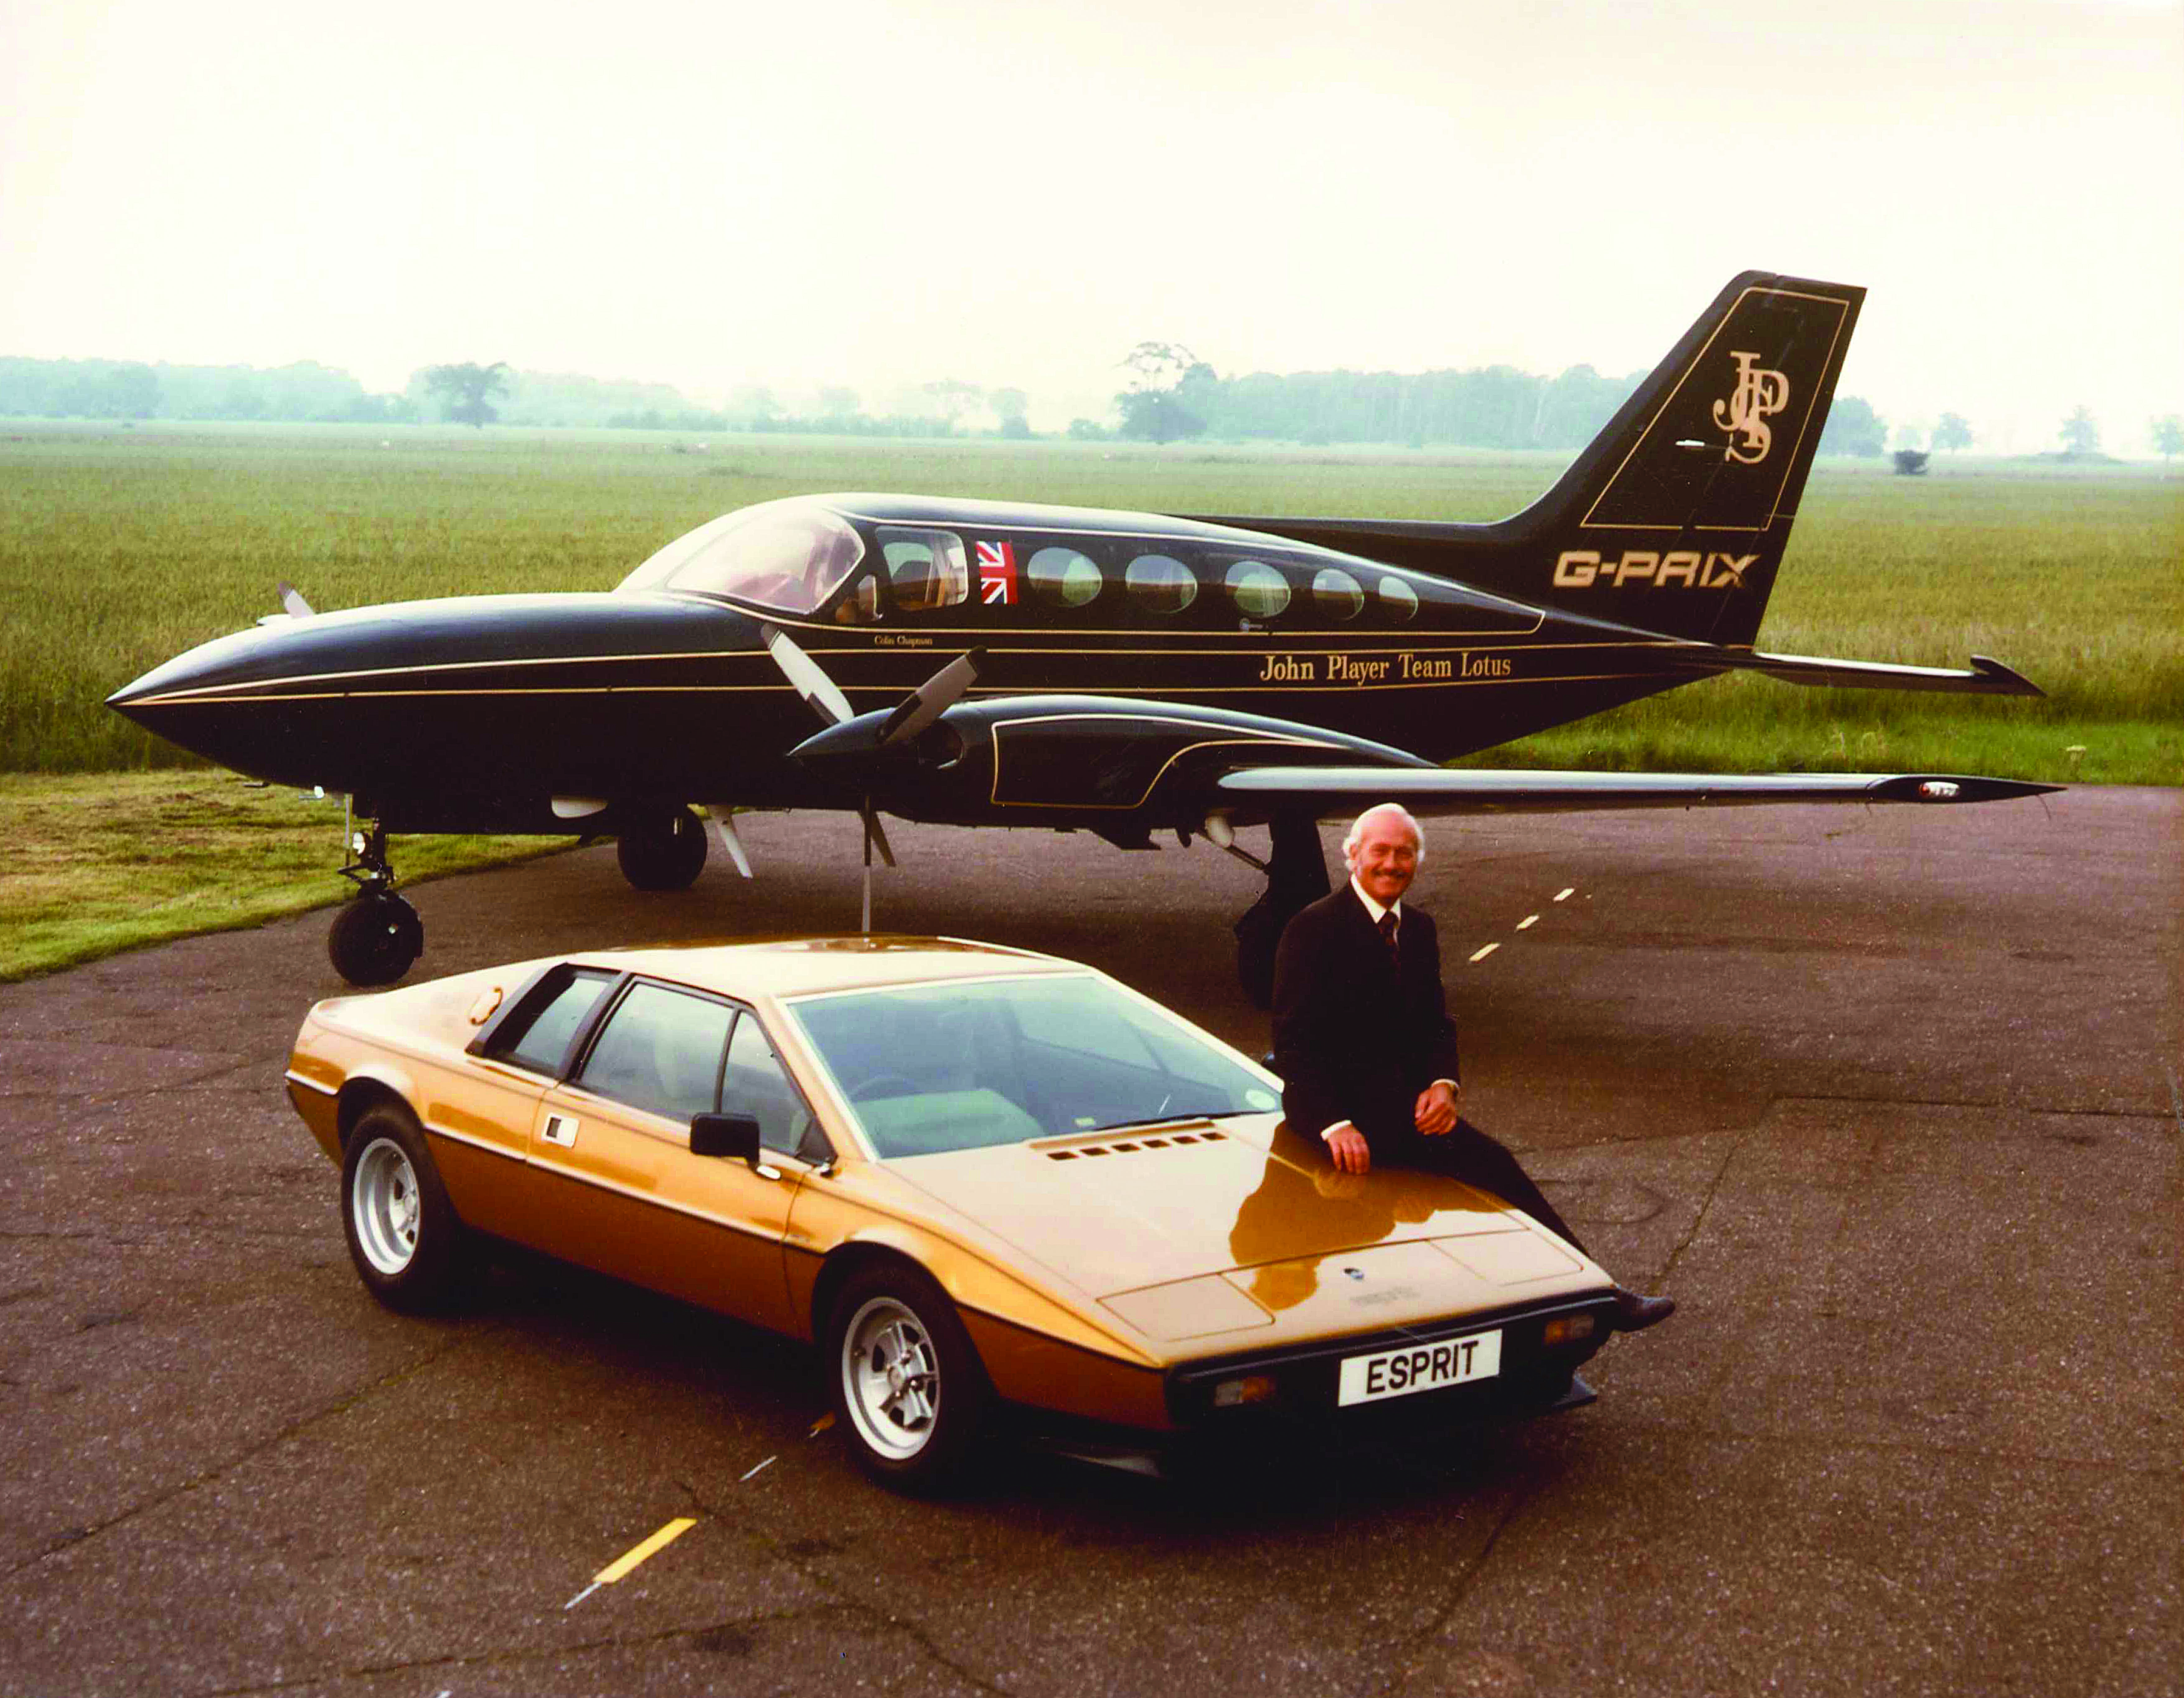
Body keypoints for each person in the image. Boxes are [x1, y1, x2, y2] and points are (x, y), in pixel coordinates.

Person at [1270, 803, 1675, 1332]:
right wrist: (1334, 1123)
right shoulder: (1312, 927)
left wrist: (1444, 1084)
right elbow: (1292, 1044)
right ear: (1353, 856)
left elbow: (1435, 1022)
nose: (1393, 863)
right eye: (1381, 852)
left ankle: (1600, 1295)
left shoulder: (1418, 928)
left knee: (1498, 1171)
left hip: (1405, 1112)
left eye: (1405, 853)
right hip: (1336, 1114)